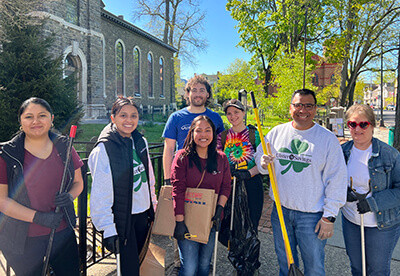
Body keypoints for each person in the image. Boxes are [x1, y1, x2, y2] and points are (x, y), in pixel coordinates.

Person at [255, 88, 348, 276]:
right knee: (285, 264)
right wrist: (262, 163)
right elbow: (261, 159)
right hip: (281, 211)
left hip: (312, 216)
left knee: (314, 267)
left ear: (315, 109)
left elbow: (337, 179)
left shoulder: (327, 139)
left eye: (308, 105)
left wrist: (329, 216)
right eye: (298, 105)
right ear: (290, 108)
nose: (303, 110)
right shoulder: (276, 133)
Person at [0, 97, 83, 275]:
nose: (36, 121)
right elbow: (2, 201)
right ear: (21, 121)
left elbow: (78, 183)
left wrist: (70, 196)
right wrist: (38, 217)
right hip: (21, 239)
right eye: (29, 116)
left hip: (61, 233)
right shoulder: (6, 154)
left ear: (51, 118)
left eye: (42, 115)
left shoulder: (64, 146)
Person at [88, 97, 157, 275]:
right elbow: (100, 193)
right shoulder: (104, 149)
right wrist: (107, 228)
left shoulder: (140, 141)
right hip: (122, 219)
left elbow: (149, 177)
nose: (129, 120)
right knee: (129, 270)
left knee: (139, 262)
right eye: (123, 115)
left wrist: (153, 206)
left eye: (133, 115)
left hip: (142, 214)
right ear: (113, 118)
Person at [162, 75, 224, 272]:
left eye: (201, 90)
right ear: (187, 94)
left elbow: (221, 147)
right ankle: (182, 265)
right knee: (184, 239)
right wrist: (167, 181)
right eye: (193, 90)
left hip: (209, 186)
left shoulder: (215, 118)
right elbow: (168, 150)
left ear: (207, 94)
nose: (197, 94)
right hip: (183, 181)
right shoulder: (176, 118)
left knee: (204, 239)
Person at [341, 104, 400, 275]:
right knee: (358, 268)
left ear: (372, 125)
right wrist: (342, 192)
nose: (357, 129)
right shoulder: (342, 152)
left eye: (363, 124)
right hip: (351, 220)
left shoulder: (389, 155)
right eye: (352, 124)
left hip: (381, 225)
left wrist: (372, 203)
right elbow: (332, 180)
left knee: (377, 270)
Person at [171, 115, 231, 276]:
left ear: (213, 133)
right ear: (192, 133)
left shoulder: (221, 158)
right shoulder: (182, 157)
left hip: (211, 219)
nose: (203, 135)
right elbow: (178, 189)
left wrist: (220, 210)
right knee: (189, 268)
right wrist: (179, 222)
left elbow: (226, 186)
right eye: (199, 130)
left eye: (207, 130)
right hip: (187, 220)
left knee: (204, 265)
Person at [217, 99, 263, 233]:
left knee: (251, 222)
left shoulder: (255, 135)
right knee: (230, 224)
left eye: (236, 112)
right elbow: (218, 159)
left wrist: (249, 173)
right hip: (230, 185)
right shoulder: (223, 136)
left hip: (252, 183)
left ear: (243, 113)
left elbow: (263, 162)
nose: (233, 116)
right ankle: (233, 251)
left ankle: (249, 252)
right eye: (229, 113)